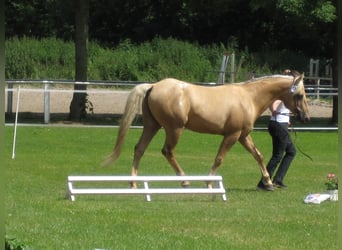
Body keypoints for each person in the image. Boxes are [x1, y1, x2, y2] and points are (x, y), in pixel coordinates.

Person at [257, 99, 296, 191]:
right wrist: (274, 109)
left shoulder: (288, 92)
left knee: (291, 151)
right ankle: (264, 182)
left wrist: (286, 120)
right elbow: (274, 101)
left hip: (280, 124)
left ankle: (278, 180)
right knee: (277, 155)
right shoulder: (284, 92)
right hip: (279, 125)